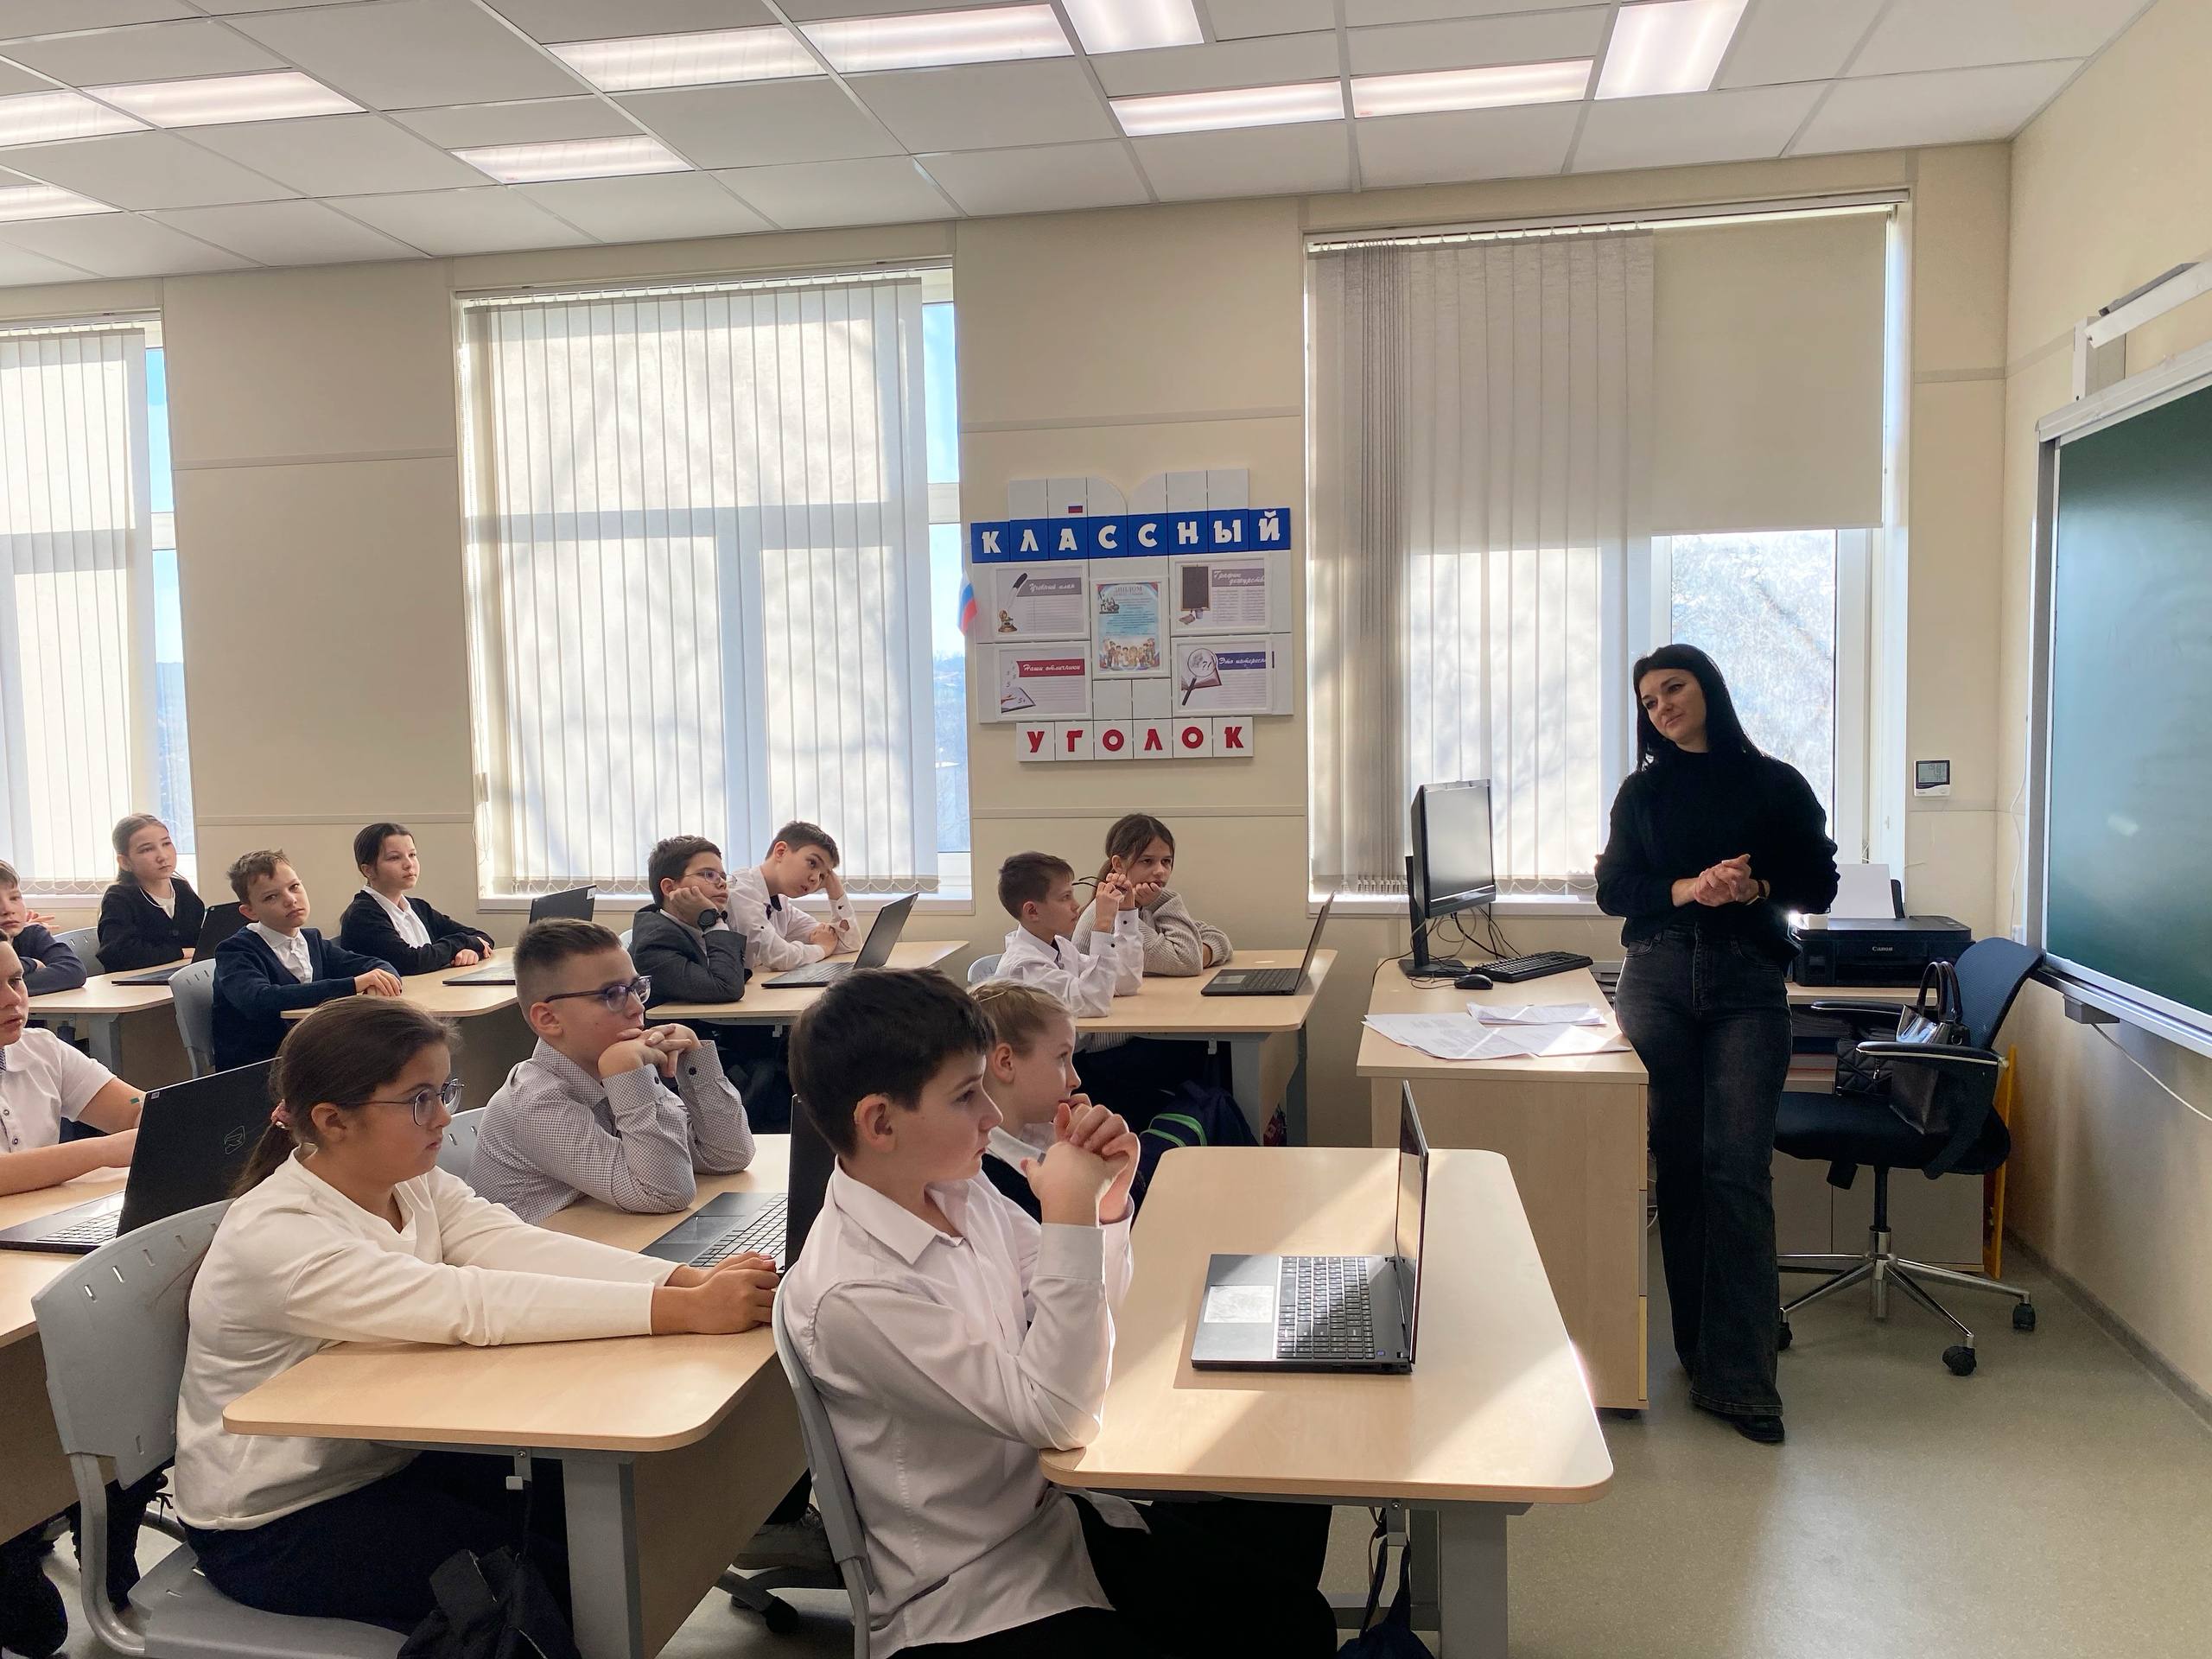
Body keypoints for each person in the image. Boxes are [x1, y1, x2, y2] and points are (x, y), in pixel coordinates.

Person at [171, 997, 778, 1636]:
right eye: (419, 1101)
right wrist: (682, 1312)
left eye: (443, 1092)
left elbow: (511, 1244)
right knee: (542, 1584)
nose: (443, 1116)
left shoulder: (403, 1177)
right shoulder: (281, 1234)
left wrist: (683, 1280)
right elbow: (470, 1305)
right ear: (333, 1120)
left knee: (597, 1521)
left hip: (387, 1461)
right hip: (275, 1520)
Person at [780, 969, 1335, 1658]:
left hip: (1053, 1522)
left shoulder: (954, 1189)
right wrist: (1069, 1213)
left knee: (1297, 1617)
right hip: (972, 1592)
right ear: (881, 1122)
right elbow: (1060, 1414)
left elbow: (1086, 1316)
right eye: (966, 1095)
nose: (992, 1114)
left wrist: (1105, 1208)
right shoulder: (853, 1293)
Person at [1594, 644, 1839, 1446]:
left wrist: (1756, 886)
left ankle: (1741, 1383)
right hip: (1658, 979)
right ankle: (1704, 1347)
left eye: (1674, 688)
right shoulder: (1642, 793)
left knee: (1736, 1168)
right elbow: (1614, 889)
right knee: (1682, 1168)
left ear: (1708, 689)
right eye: (1649, 700)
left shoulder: (1775, 784)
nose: (1662, 706)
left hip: (1746, 986)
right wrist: (1689, 888)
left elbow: (1820, 880)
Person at [0, 936, 159, 1657]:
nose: (14, 1000)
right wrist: (100, 1150)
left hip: (37, 1250)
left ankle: (109, 1525)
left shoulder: (38, 1050)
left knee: (132, 1350)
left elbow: (141, 1113)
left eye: (17, 981)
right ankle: (17, 1533)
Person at [469, 918, 754, 1226]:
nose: (637, 1008)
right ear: (549, 1019)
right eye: (612, 994)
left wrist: (692, 1055)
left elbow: (727, 1154)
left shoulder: (614, 1061)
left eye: (636, 988)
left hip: (602, 1239)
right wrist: (627, 1070)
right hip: (538, 1253)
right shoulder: (538, 1103)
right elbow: (666, 1194)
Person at [211, 850, 400, 1071]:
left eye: (294, 887)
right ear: (250, 912)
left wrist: (379, 981)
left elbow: (376, 965)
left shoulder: (311, 940)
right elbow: (260, 1000)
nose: (290, 900)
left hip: (309, 1056)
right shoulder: (235, 951)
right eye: (271, 897)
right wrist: (353, 985)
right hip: (260, 1066)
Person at [970, 980, 1088, 1222]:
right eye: (1061, 1058)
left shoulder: (1044, 1135)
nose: (1075, 1080)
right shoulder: (998, 1185)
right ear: (1006, 1063)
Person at [994, 852, 1142, 1018]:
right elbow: (1092, 1004)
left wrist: (1126, 912)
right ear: (1032, 911)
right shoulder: (1026, 967)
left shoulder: (1061, 946)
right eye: (1065, 897)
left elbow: (1124, 982)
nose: (1076, 905)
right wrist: (1103, 925)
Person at [337, 822, 494, 976]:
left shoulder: (418, 907)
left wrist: (470, 951)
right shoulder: (362, 915)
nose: (409, 864)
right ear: (368, 870)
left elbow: (482, 937)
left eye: (412, 855)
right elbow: (411, 962)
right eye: (394, 858)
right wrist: (462, 943)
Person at [1097, 815, 1232, 976]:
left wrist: (1195, 955)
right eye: (1147, 861)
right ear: (1118, 864)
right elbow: (1187, 961)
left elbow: (1219, 938)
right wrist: (1164, 900)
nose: (1160, 871)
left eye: (1166, 861)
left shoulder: (1145, 905)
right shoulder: (1112, 913)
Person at [726, 822, 861, 976]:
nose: (815, 879)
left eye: (822, 876)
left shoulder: (781, 905)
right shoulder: (740, 889)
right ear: (781, 852)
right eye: (812, 863)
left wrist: (835, 890)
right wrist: (822, 948)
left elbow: (849, 944)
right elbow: (778, 956)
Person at [630, 836, 748, 1008]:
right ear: (669, 888)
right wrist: (712, 920)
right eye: (708, 874)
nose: (722, 884)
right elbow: (727, 987)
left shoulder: (692, 927)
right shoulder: (655, 943)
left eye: (723, 877)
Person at [98, 813, 209, 971]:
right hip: (134, 983)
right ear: (125, 862)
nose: (162, 856)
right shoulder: (119, 898)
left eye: (166, 843)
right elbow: (117, 953)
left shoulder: (182, 890)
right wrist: (180, 953)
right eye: (147, 849)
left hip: (183, 975)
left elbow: (199, 939)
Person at [0, 861, 85, 995]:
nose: (8, 909)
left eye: (15, 898)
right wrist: (32, 963)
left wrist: (10, 983)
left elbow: (74, 971)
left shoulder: (30, 933)